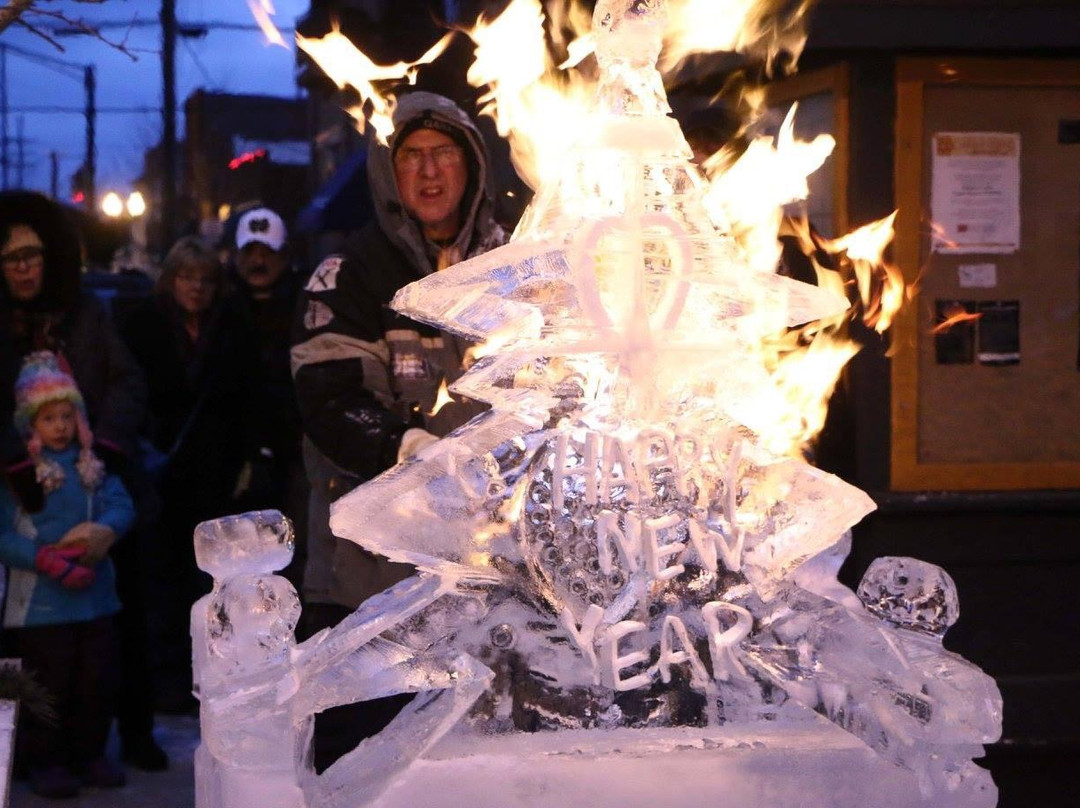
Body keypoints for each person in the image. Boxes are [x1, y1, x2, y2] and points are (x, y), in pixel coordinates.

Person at [291, 91, 506, 769]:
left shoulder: (514, 266)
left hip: (490, 582)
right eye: (411, 157)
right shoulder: (351, 273)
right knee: (366, 768)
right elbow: (325, 397)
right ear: (389, 172)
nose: (429, 172)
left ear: (472, 165)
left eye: (444, 153)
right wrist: (405, 447)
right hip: (368, 588)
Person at [0, 191, 167, 772]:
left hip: (100, 483)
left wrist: (107, 448)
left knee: (117, 630)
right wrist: (19, 467)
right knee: (34, 646)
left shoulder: (86, 313)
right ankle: (30, 752)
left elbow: (128, 382)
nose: (22, 268)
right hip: (22, 501)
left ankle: (129, 736)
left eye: (31, 255)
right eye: (9, 259)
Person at [119, 236, 268, 712]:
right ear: (170, 280)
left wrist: (247, 459)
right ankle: (164, 678)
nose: (196, 288)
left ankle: (200, 676)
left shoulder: (232, 326)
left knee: (208, 580)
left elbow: (249, 396)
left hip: (214, 469)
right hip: (157, 466)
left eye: (205, 279)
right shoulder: (142, 324)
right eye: (187, 277)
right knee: (158, 577)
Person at [0, 352, 135, 798]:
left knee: (95, 681)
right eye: (48, 418)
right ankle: (46, 759)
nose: (59, 426)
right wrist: (46, 560)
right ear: (29, 425)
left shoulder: (91, 467)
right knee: (47, 686)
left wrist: (106, 530)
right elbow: (4, 535)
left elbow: (122, 503)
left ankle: (90, 752)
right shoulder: (20, 480)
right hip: (41, 607)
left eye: (66, 415)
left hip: (95, 601)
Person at [229, 206, 307, 584]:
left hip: (293, 456)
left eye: (268, 252)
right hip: (234, 458)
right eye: (250, 252)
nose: (258, 261)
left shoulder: (305, 307)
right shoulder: (222, 308)